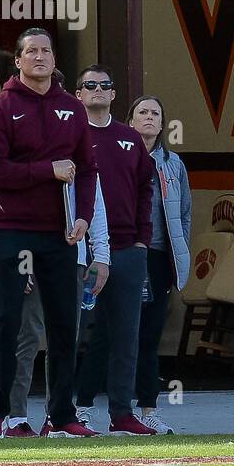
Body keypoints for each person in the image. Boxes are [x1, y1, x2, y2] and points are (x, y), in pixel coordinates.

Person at [0, 28, 98, 439]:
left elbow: (86, 169)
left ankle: (62, 415)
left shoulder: (72, 108)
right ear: (19, 60)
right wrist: (47, 170)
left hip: (59, 233)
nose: (40, 57)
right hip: (10, 228)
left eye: (46, 50)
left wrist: (83, 216)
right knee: (8, 320)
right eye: (32, 51)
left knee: (65, 323)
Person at [73, 65, 157, 436]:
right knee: (78, 332)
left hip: (127, 249)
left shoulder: (130, 138)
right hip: (78, 248)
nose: (97, 90)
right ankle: (76, 407)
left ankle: (122, 413)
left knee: (126, 334)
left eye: (105, 85)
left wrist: (141, 240)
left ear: (113, 95)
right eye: (89, 85)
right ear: (78, 94)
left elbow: (144, 191)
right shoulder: (69, 136)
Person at [9, 176, 110, 437]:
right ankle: (14, 418)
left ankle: (57, 416)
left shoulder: (82, 148)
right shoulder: (31, 144)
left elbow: (93, 203)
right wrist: (20, 258)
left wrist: (101, 255)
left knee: (65, 338)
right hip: (33, 254)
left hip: (71, 256)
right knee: (27, 336)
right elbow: (14, 203)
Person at [129, 94, 191, 434]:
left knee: (151, 335)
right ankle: (106, 408)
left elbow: (184, 215)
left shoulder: (173, 164)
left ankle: (147, 409)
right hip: (126, 253)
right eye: (143, 113)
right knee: (117, 333)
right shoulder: (120, 155)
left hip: (158, 257)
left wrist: (179, 255)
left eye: (156, 113)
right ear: (131, 120)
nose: (150, 118)